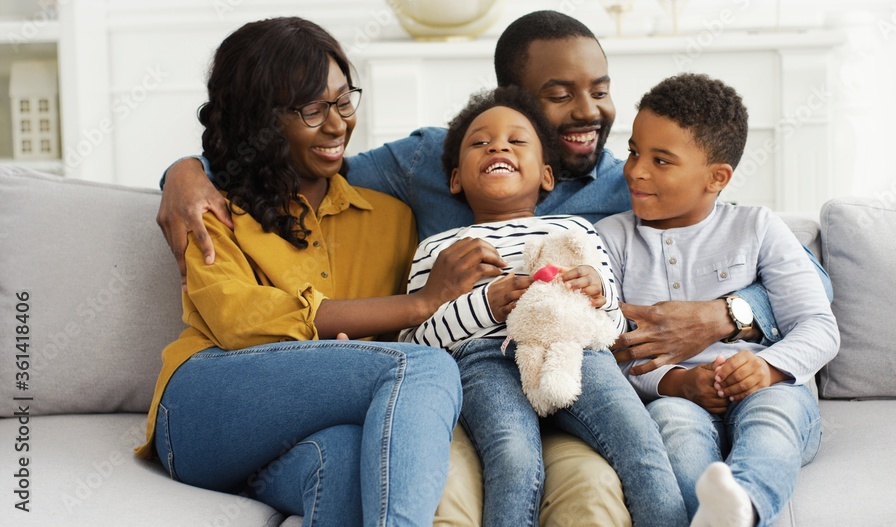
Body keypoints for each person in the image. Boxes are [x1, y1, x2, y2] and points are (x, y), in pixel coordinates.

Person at [154, 10, 831, 525]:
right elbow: (272, 163)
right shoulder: (420, 166)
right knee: (435, 382)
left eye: (599, 89)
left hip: (562, 378)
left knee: (345, 465)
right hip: (450, 378)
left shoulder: (636, 183)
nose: (589, 111)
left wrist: (729, 313)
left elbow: (788, 268)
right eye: (560, 93)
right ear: (509, 98)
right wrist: (181, 173)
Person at [133, 17, 508, 526]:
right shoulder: (212, 209)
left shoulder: (392, 219)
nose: (336, 125)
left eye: (343, 101)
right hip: (205, 408)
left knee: (351, 464)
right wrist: (421, 302)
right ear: (259, 119)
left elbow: (394, 342)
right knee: (420, 369)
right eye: (312, 110)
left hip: (308, 431)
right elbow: (238, 322)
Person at [401, 86, 688, 527]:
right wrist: (485, 307)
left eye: (517, 141)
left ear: (547, 176)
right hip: (484, 359)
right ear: (456, 178)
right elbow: (416, 339)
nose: (498, 145)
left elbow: (612, 327)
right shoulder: (438, 248)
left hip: (578, 350)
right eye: (480, 142)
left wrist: (598, 293)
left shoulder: (575, 230)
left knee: (640, 441)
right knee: (513, 456)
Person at [595, 73, 839, 527]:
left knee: (774, 417)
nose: (635, 170)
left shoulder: (757, 227)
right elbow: (613, 354)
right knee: (673, 426)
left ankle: (741, 511)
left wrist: (766, 368)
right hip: (675, 397)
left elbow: (819, 326)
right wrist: (679, 384)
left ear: (717, 177)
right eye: (633, 151)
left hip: (769, 388)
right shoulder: (612, 240)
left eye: (661, 160)